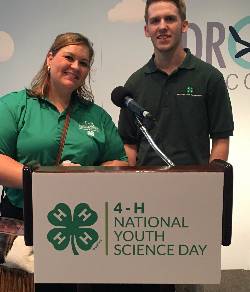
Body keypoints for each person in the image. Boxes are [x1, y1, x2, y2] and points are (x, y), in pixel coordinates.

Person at [118, 0, 234, 291]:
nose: (162, 26)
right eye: (155, 21)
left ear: (184, 25)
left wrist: (211, 189)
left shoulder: (209, 78)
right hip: (145, 203)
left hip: (193, 200)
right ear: (146, 30)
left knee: (188, 282)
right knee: (147, 281)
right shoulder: (134, 83)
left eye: (170, 19)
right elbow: (129, 145)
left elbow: (220, 138)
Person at [0, 32, 128, 292]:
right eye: (69, 57)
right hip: (25, 224)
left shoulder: (97, 115)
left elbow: (119, 162)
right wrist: (47, 179)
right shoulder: (15, 105)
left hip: (83, 225)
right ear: (50, 58)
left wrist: (86, 175)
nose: (76, 67)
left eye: (83, 63)